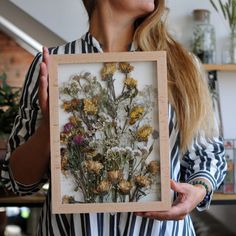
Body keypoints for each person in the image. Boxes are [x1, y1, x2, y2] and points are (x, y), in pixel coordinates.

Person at [1, 0, 226, 235]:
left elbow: (208, 155)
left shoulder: (181, 66)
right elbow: (18, 182)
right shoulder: (50, 66)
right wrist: (50, 125)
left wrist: (197, 191)